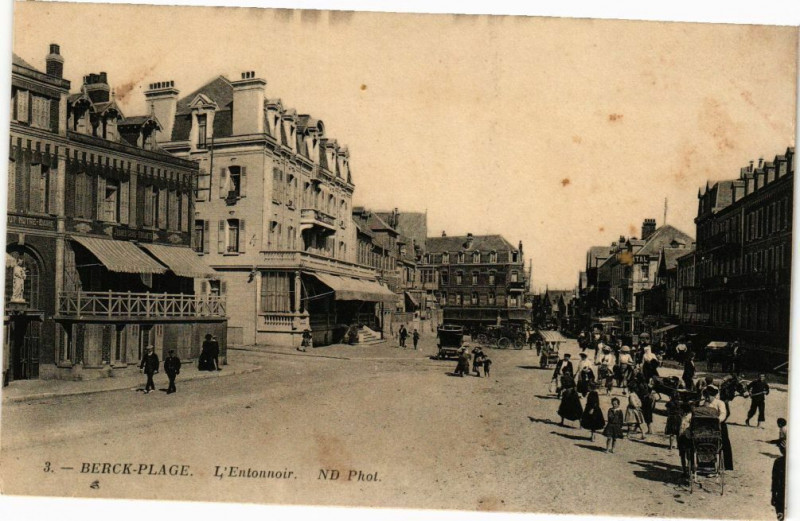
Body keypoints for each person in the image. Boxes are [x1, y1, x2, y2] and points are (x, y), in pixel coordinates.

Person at [703, 385, 733, 470]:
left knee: (725, 443)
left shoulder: (720, 403)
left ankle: (727, 466)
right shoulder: (704, 403)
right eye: (706, 396)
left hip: (719, 424)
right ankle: (706, 465)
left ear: (713, 396)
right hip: (707, 426)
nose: (707, 398)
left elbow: (723, 414)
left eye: (709, 396)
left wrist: (717, 421)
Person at [772, 441, 786, 520]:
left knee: (781, 516)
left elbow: (775, 480)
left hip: (781, 494)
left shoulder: (778, 462)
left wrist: (773, 495)